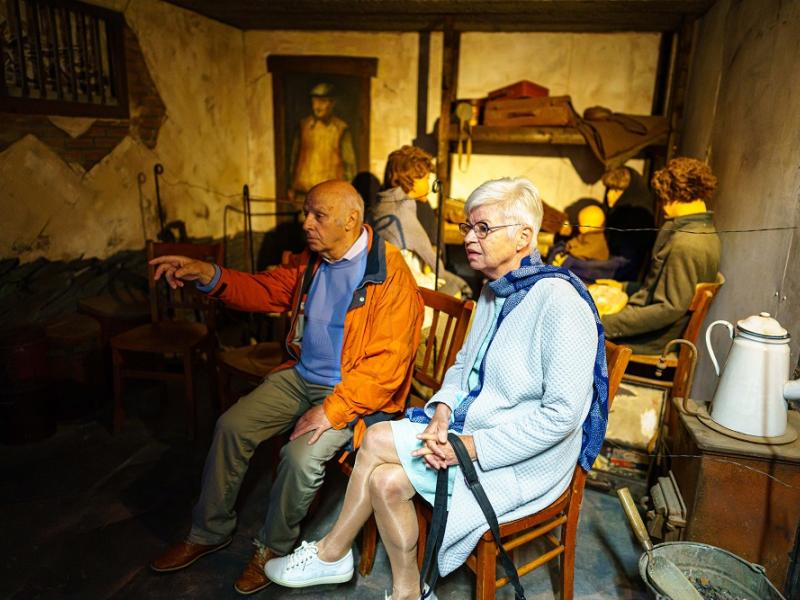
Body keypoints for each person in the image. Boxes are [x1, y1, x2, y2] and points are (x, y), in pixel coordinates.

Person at [263, 177, 608, 600]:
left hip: (527, 459)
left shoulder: (559, 301)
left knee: (376, 437)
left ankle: (332, 553)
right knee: (385, 481)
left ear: (524, 236)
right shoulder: (494, 290)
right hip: (474, 426)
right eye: (468, 227)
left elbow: (562, 418)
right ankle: (410, 593)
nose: (469, 238)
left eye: (483, 228)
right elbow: (465, 365)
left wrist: (468, 446)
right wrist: (442, 412)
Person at [148, 180, 423, 595]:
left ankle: (271, 550)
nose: (306, 223)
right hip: (300, 376)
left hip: (351, 392)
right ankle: (209, 531)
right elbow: (265, 289)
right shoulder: (313, 262)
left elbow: (386, 369)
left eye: (318, 216)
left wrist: (331, 410)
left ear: (351, 220)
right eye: (306, 213)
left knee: (299, 457)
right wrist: (209, 274)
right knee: (231, 426)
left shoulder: (389, 275)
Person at [602, 157, 721, 354]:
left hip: (651, 338)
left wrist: (603, 323)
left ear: (671, 193)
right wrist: (624, 287)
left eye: (661, 196)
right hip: (649, 325)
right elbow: (663, 289)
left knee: (570, 328)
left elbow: (668, 308)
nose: (660, 203)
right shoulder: (700, 231)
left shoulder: (687, 243)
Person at [369, 145, 471, 297]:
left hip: (393, 282)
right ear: (411, 179)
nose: (429, 185)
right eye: (427, 179)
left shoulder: (383, 204)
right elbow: (434, 264)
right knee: (458, 289)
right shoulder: (401, 212)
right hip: (404, 289)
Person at [287, 83, 357, 204]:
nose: (317, 106)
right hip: (303, 194)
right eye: (314, 101)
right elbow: (294, 158)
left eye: (322, 101)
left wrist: (351, 192)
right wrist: (291, 187)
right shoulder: (303, 126)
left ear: (332, 103)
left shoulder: (341, 129)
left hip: (332, 196)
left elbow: (349, 165)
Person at [602, 165, 657, 280]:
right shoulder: (612, 214)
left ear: (630, 193)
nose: (609, 195)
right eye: (609, 189)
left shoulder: (637, 219)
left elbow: (624, 263)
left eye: (616, 190)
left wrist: (576, 264)